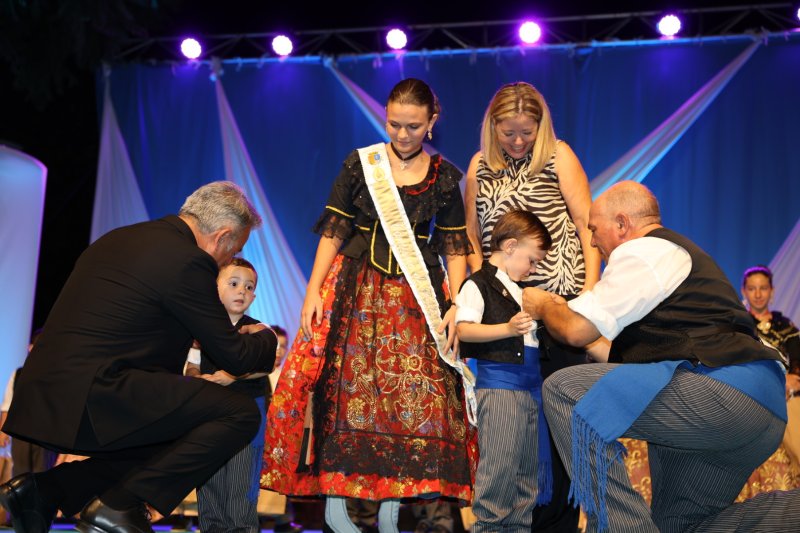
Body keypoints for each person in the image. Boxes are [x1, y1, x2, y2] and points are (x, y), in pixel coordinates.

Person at [260, 78, 477, 533]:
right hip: (354, 292)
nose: (402, 134)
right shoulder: (362, 165)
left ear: (432, 122)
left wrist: (458, 304)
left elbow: (455, 248)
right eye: (394, 124)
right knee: (345, 396)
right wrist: (313, 290)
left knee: (415, 403)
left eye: (413, 126)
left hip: (416, 302)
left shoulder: (444, 179)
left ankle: (392, 513)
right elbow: (334, 231)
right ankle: (338, 510)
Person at [0, 181, 278, 533]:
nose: (226, 261)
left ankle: (41, 491)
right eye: (233, 250)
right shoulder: (189, 261)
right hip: (96, 392)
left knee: (171, 430)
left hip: (47, 393)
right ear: (222, 237)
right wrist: (266, 338)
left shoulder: (119, 238)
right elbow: (236, 357)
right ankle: (119, 506)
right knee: (237, 413)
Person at [522, 180, 799, 532]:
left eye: (594, 230)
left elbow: (576, 329)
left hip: (726, 393)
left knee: (565, 390)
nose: (591, 242)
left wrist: (545, 305)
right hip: (759, 408)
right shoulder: (668, 263)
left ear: (622, 224)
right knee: (680, 527)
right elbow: (626, 360)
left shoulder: (644, 251)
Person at [464, 81, 601, 532]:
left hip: (559, 309)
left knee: (559, 423)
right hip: (505, 316)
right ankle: (509, 521)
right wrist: (475, 294)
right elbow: (470, 239)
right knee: (510, 434)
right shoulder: (480, 167)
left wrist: (590, 296)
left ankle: (557, 523)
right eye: (509, 133)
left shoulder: (558, 156)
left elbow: (587, 227)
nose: (519, 141)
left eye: (527, 132)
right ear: (493, 128)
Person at [455, 209, 552, 532]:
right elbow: (465, 330)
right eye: (532, 260)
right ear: (509, 246)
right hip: (500, 386)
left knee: (525, 477)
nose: (533, 268)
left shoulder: (523, 290)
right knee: (499, 471)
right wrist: (507, 329)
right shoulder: (477, 284)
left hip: (530, 388)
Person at [184, 257, 273, 533]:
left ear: (254, 296)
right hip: (211, 412)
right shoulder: (202, 329)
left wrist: (231, 376)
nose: (241, 291)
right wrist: (199, 379)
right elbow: (192, 364)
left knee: (239, 483)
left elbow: (264, 367)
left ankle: (241, 528)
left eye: (248, 287)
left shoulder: (256, 330)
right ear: (216, 289)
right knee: (210, 479)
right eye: (234, 284)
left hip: (247, 413)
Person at [736, 264, 800, 498]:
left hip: (789, 396)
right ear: (744, 291)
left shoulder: (787, 327)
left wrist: (795, 380)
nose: (758, 293)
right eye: (752, 288)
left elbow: (798, 362)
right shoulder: (738, 327)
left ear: (772, 291)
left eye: (763, 288)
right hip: (754, 396)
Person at [0, 329, 57, 479]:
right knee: (20, 472)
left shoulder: (55, 375)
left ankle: (39, 501)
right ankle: (19, 500)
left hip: (45, 434)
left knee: (42, 472)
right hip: (21, 431)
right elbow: (8, 404)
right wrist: (3, 432)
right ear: (30, 348)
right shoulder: (19, 374)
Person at [263, 325, 303, 533]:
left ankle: (283, 520)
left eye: (283, 347)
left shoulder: (287, 376)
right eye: (275, 346)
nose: (279, 351)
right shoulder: (256, 374)